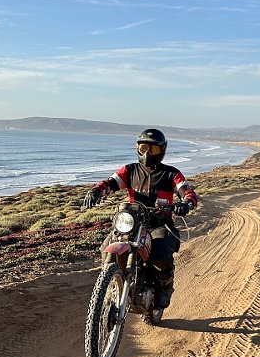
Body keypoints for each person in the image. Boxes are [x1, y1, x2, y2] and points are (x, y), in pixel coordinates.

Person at [82, 128, 199, 309]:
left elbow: (188, 192)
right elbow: (111, 182)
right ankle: (110, 283)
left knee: (161, 254)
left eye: (152, 149)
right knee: (106, 248)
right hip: (132, 223)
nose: (147, 154)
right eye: (143, 147)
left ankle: (164, 288)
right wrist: (96, 190)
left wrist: (186, 203)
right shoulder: (129, 170)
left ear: (162, 150)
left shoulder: (171, 174)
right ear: (137, 148)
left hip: (159, 224)